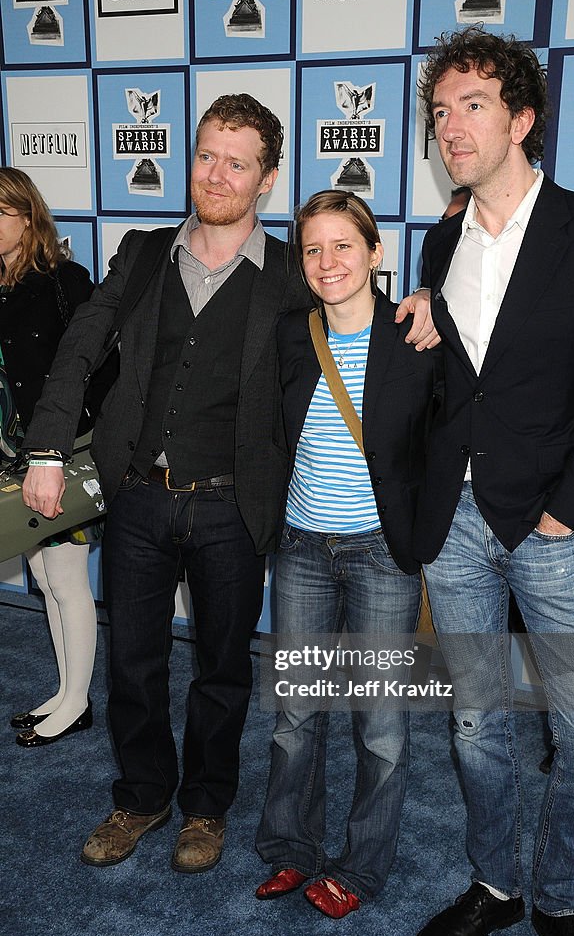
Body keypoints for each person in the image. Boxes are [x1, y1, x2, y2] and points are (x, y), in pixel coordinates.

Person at [22, 96, 433, 875]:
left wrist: (425, 300)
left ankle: (206, 807)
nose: (216, 173)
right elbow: (79, 346)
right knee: (134, 663)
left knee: (223, 668)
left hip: (233, 507)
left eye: (236, 162)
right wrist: (46, 445)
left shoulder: (292, 271)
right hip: (139, 497)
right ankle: (142, 795)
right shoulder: (143, 254)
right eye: (207, 154)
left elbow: (358, 297)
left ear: (266, 179)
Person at [410, 28, 574, 936]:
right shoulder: (439, 239)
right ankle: (496, 883)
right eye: (438, 110)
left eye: (471, 104)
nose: (449, 126)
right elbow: (456, 387)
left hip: (550, 529)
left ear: (522, 117)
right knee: (477, 726)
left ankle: (562, 901)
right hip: (456, 530)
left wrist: (564, 516)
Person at [255, 190, 440, 918]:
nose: (328, 262)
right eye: (312, 249)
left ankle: (360, 868)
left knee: (381, 723)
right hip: (300, 547)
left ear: (375, 253)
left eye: (343, 246)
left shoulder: (417, 336)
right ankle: (289, 849)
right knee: (296, 713)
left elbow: (448, 436)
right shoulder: (289, 335)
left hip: (381, 556)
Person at [0, 167, 98, 748]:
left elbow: (92, 369)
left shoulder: (67, 280)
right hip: (12, 455)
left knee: (65, 577)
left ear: (28, 216)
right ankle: (66, 693)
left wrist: (56, 452)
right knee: (42, 575)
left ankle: (78, 700)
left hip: (56, 456)